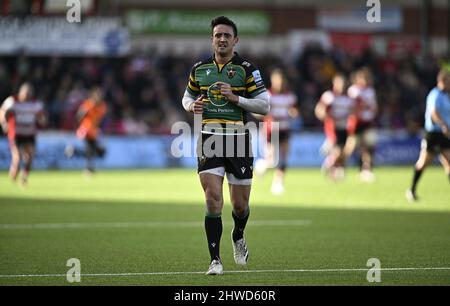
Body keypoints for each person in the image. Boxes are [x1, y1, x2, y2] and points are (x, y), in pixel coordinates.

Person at [182, 16, 270, 275]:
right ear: (212, 39)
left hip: (239, 139)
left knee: (240, 206)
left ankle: (238, 234)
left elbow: (264, 106)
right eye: (217, 35)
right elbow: (187, 96)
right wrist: (191, 106)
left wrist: (236, 98)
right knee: (212, 200)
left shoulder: (247, 69)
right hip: (209, 137)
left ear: (235, 40)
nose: (222, 39)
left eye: (226, 35)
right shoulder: (199, 69)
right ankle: (215, 260)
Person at [406, 68, 450, 202]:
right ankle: (411, 190)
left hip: (445, 134)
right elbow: (434, 113)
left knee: (449, 163)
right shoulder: (434, 94)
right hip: (433, 133)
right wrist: (443, 125)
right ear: (442, 81)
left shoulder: (446, 96)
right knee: (423, 163)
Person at [254, 68, 299, 194]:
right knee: (273, 161)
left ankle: (278, 183)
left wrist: (293, 113)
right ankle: (260, 166)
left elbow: (294, 110)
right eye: (276, 80)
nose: (279, 82)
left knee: (284, 158)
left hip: (285, 129)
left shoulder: (289, 95)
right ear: (273, 81)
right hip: (271, 130)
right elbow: (258, 111)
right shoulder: (268, 95)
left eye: (281, 80)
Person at [0, 83, 46, 185]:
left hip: (30, 134)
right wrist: (4, 123)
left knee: (30, 157)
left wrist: (42, 120)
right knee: (17, 158)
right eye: (25, 93)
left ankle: (24, 176)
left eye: (29, 94)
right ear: (20, 92)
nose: (27, 96)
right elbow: (2, 112)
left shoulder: (35, 104)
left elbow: (41, 116)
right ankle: (13, 174)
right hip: (16, 134)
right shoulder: (12, 101)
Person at [315, 74, 355, 181]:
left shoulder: (348, 98)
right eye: (339, 83)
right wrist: (324, 116)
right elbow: (319, 109)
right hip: (332, 127)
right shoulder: (329, 96)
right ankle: (328, 165)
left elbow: (354, 112)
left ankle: (333, 168)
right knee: (337, 151)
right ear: (334, 84)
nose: (341, 86)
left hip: (344, 127)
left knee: (344, 151)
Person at [65, 87, 108, 174]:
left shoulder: (102, 106)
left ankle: (74, 151)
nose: (99, 98)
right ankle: (88, 168)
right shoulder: (88, 105)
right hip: (85, 130)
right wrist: (79, 126)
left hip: (93, 131)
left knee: (97, 151)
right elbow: (79, 116)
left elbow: (100, 119)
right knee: (90, 149)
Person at [347, 67, 378, 182]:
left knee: (368, 146)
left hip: (368, 122)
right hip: (356, 122)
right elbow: (352, 107)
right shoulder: (353, 90)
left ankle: (366, 170)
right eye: (363, 78)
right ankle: (336, 165)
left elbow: (374, 106)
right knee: (351, 147)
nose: (365, 80)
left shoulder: (370, 91)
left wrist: (372, 110)